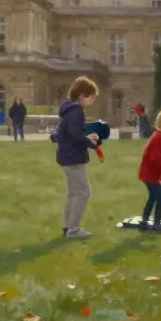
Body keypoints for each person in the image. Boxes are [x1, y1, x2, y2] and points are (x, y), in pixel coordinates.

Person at [55, 77, 101, 239]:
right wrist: (92, 143)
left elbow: (64, 134)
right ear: (82, 95)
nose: (92, 100)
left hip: (66, 156)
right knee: (83, 192)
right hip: (73, 157)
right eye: (91, 96)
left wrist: (87, 137)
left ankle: (67, 226)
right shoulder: (76, 111)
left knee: (73, 192)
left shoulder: (68, 110)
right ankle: (73, 229)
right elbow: (75, 137)